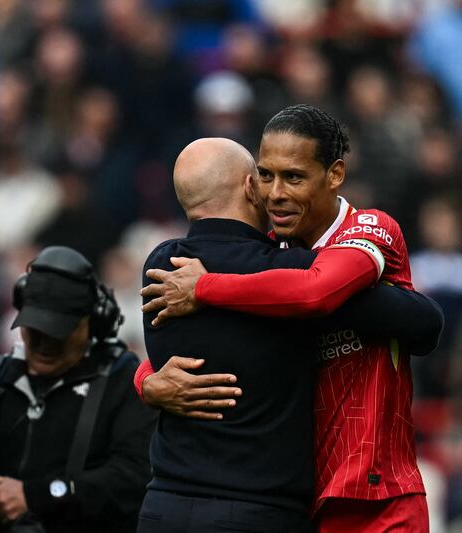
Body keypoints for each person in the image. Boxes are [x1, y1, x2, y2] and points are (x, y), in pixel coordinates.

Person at [140, 105, 435, 531]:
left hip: (376, 498)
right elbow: (226, 347)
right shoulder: (271, 255)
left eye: (293, 177)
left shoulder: (368, 228)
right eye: (265, 175)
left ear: (334, 175)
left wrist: (205, 288)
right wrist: (148, 381)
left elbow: (317, 292)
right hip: (302, 504)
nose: (274, 193)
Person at [0, 246, 156, 532]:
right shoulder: (0, 376)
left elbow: (132, 479)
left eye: (56, 334)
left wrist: (38, 496)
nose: (43, 345)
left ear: (93, 323)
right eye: (34, 330)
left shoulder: (121, 377)